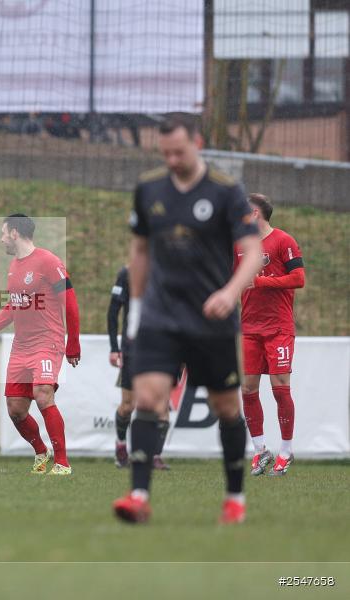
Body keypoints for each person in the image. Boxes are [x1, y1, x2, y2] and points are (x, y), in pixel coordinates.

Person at [112, 113, 263, 524]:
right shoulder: (148, 189)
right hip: (160, 316)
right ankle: (138, 496)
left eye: (179, 151)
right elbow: (140, 251)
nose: (173, 159)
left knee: (227, 407)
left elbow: (254, 253)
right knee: (146, 398)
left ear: (197, 141)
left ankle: (235, 498)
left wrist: (230, 293)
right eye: (165, 153)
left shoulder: (226, 191)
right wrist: (138, 311)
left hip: (210, 320)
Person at [0, 214, 81, 475]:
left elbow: (70, 304)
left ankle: (62, 463)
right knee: (16, 411)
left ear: (15, 233)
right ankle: (41, 451)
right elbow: (12, 308)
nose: (2, 239)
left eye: (4, 233)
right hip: (21, 346)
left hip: (47, 341)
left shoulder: (49, 262)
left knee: (43, 394)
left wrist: (72, 343)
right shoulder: (15, 267)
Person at [236, 193, 305, 477]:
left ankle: (286, 452)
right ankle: (260, 450)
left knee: (280, 389)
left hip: (278, 327)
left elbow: (299, 278)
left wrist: (262, 281)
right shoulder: (238, 245)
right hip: (249, 328)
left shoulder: (283, 241)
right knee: (248, 389)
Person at [107, 265, 170, 470]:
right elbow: (113, 311)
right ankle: (121, 446)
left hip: (163, 349)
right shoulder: (127, 273)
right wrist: (114, 348)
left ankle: (155, 456)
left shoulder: (171, 271)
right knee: (128, 406)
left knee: (161, 406)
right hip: (133, 349)